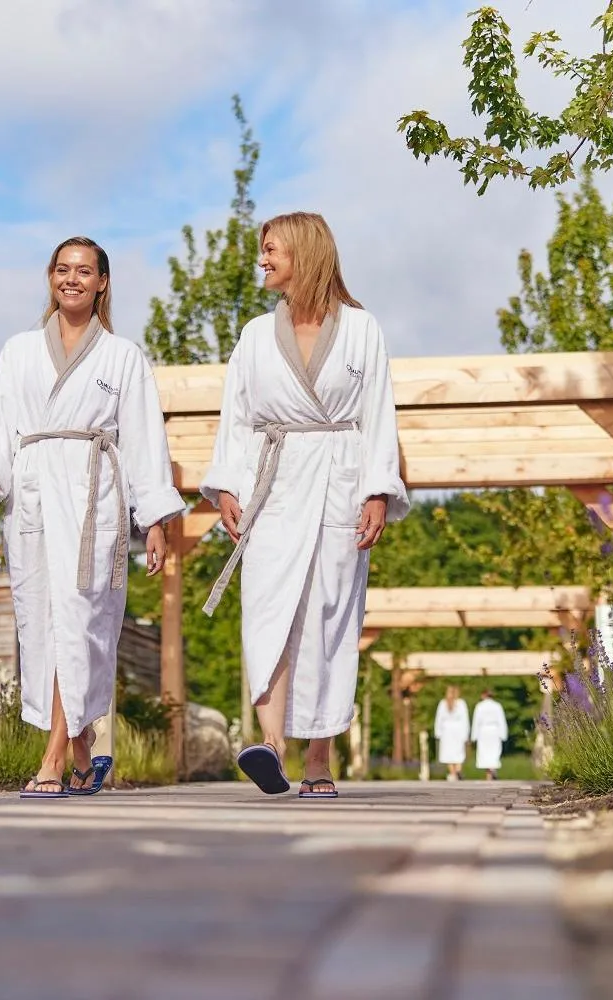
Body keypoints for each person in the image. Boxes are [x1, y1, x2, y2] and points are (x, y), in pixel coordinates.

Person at [0, 236, 183, 799]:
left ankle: (55, 757)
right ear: (50, 277)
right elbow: (0, 425)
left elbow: (143, 442)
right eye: (63, 269)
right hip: (34, 494)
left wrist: (153, 518)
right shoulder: (18, 351)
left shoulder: (123, 357)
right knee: (41, 624)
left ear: (102, 282)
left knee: (78, 624)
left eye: (84, 271)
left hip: (94, 500)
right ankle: (87, 757)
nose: (72, 279)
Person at [201, 211, 409, 799]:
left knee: (328, 617)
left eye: (271, 250)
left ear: (305, 252)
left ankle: (319, 758)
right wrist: (228, 488)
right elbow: (237, 420)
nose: (262, 260)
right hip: (273, 484)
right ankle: (270, 746)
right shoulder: (253, 336)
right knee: (269, 609)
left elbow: (377, 414)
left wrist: (376, 489)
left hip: (340, 479)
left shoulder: (362, 330)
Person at [433, 686, 470, 782]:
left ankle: (452, 773)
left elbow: (439, 719)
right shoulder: (461, 703)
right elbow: (465, 719)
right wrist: (466, 733)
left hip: (446, 731)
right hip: (458, 730)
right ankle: (458, 770)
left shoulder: (443, 703)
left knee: (448, 752)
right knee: (458, 751)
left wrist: (438, 732)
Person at [471, 689, 509, 780]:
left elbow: (476, 722)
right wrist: (503, 734)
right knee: (494, 751)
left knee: (484, 752)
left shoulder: (479, 706)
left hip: (483, 731)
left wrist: (474, 736)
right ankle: (492, 771)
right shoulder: (497, 706)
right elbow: (501, 721)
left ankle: (489, 774)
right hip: (494, 731)